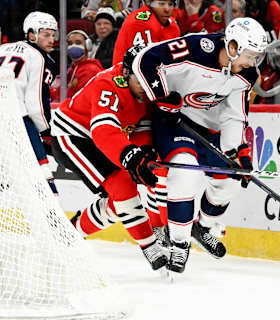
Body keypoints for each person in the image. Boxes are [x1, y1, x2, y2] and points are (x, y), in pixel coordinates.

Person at [131, 17, 268, 273]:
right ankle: (179, 244)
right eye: (250, 55)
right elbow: (146, 59)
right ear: (234, 46)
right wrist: (162, 97)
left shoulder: (247, 74)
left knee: (229, 181)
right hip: (173, 121)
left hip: (207, 129)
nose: (252, 63)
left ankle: (201, 227)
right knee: (184, 173)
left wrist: (237, 152)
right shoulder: (197, 48)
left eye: (257, 57)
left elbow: (234, 115)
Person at [50, 45, 170, 271]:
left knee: (120, 202)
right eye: (140, 79)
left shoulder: (149, 86)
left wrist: (144, 151)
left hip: (109, 139)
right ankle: (150, 246)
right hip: (74, 135)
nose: (147, 86)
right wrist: (130, 155)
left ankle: (70, 233)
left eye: (150, 79)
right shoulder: (109, 83)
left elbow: (141, 128)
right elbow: (103, 129)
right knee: (123, 187)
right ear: (126, 73)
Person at [0, 11, 59, 195]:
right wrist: (46, 130)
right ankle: (54, 221)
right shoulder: (41, 58)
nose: (51, 39)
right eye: (46, 34)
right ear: (32, 34)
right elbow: (36, 104)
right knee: (43, 179)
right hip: (16, 120)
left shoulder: (3, 48)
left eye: (53, 34)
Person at [112, 0, 181, 65]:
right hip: (127, 74)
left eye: (170, 4)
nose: (167, 9)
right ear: (148, 2)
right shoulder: (139, 22)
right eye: (161, 4)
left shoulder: (172, 23)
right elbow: (144, 65)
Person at [65, 30, 104, 97]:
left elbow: (82, 97)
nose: (73, 46)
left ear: (88, 46)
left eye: (78, 43)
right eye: (70, 43)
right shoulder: (72, 68)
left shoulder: (90, 70)